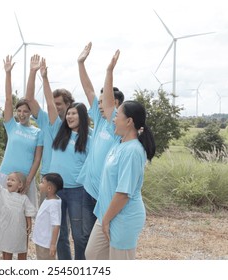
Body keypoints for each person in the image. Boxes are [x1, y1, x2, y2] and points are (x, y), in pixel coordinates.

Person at [85, 48, 156, 260]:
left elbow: (124, 193)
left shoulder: (134, 151)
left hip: (122, 218)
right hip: (107, 214)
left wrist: (106, 220)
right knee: (93, 255)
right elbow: (107, 105)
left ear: (129, 121)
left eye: (118, 116)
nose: (113, 118)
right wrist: (109, 71)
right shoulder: (120, 142)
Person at [39, 57, 91, 260]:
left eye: (74, 114)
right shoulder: (59, 130)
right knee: (59, 234)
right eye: (68, 114)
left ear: (82, 116)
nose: (69, 117)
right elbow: (51, 106)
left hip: (77, 190)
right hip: (57, 190)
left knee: (79, 235)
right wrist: (44, 77)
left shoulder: (90, 136)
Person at [76, 42, 125, 250]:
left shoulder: (117, 126)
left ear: (116, 105)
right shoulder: (99, 118)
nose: (100, 105)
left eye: (106, 102)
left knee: (106, 238)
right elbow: (88, 90)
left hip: (105, 193)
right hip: (88, 188)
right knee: (87, 237)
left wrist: (109, 71)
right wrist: (80, 63)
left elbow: (107, 101)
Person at [0, 55, 43, 210]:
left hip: (24, 179)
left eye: (26, 111)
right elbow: (8, 100)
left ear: (31, 112)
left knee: (24, 218)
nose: (22, 114)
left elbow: (37, 160)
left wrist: (28, 181)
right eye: (19, 111)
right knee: (4, 216)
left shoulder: (38, 132)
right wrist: (8, 73)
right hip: (6, 176)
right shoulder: (12, 126)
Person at [25, 54, 75, 183]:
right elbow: (29, 99)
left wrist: (45, 78)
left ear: (68, 104)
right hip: (47, 176)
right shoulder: (44, 119)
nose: (55, 107)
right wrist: (32, 72)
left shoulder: (76, 126)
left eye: (58, 104)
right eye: (54, 103)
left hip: (69, 178)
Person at [0, 158, 37, 260]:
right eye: (8, 179)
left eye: (12, 180)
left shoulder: (23, 198)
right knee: (6, 250)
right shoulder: (4, 192)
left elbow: (28, 212)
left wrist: (29, 225)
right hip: (5, 228)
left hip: (17, 230)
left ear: (20, 185)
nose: (9, 181)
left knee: (17, 247)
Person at [32, 173, 63, 260]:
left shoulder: (53, 204)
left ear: (49, 188)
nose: (39, 184)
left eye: (42, 182)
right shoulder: (48, 199)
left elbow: (56, 225)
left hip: (46, 244)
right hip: (41, 241)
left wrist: (52, 244)